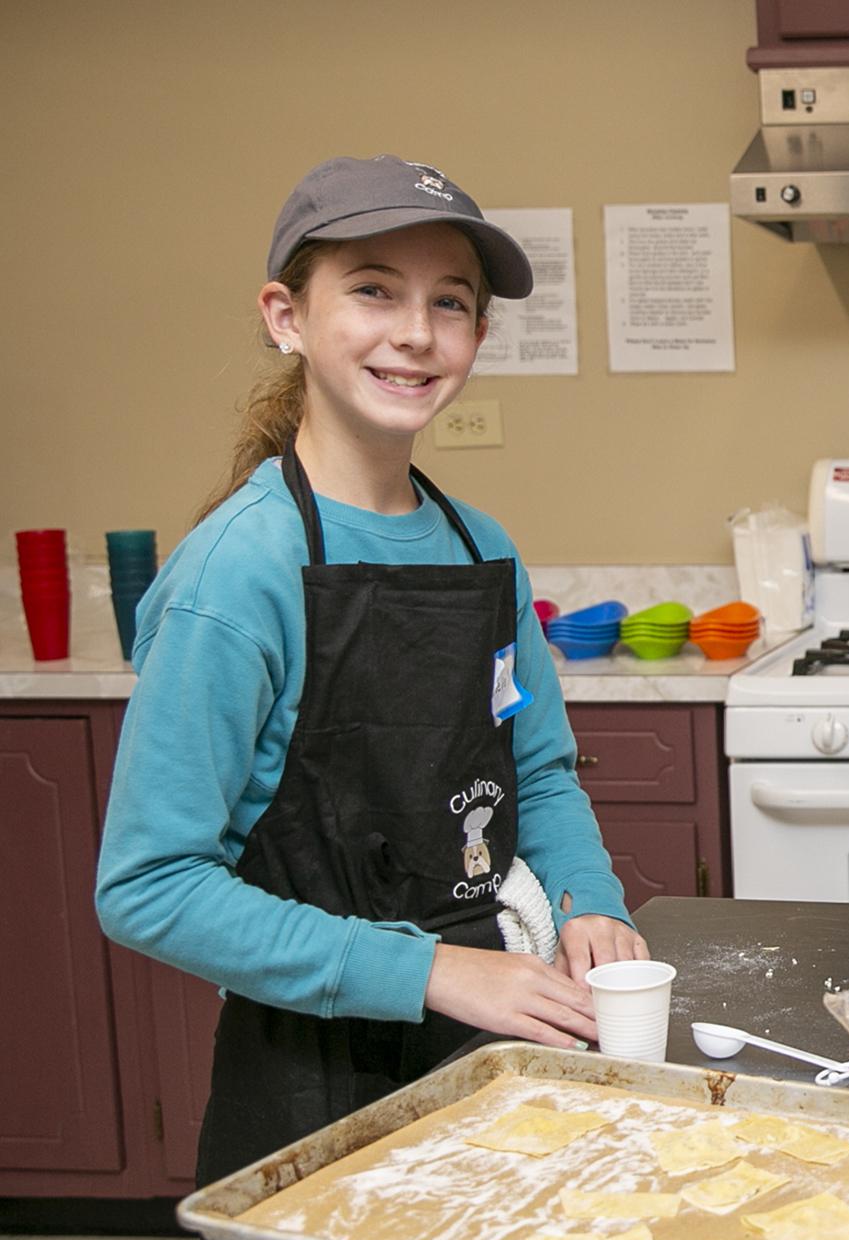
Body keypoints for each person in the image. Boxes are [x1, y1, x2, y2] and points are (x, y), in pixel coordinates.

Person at [96, 155, 646, 1185]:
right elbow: (150, 886)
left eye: (450, 303)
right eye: (373, 289)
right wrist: (431, 969)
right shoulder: (237, 573)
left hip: (494, 1047)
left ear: (477, 338)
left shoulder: (480, 549)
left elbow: (538, 774)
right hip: (313, 1078)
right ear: (286, 315)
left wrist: (591, 906)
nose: (415, 331)